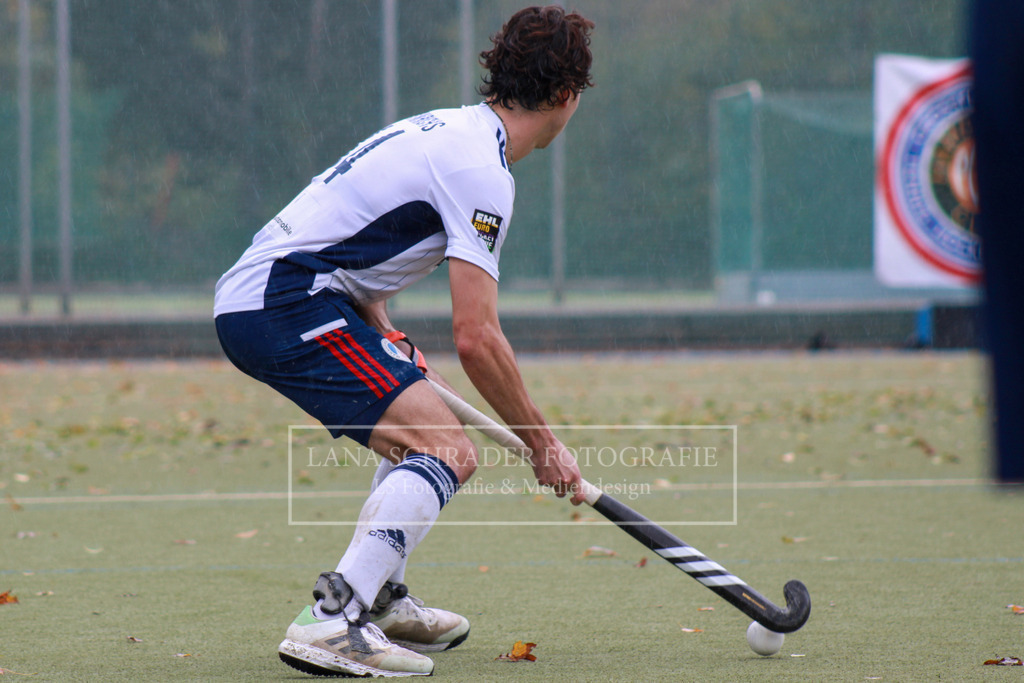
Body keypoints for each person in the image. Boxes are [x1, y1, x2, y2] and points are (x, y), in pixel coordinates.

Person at [213, 6, 595, 677]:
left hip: (287, 296)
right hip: (284, 302)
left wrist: (387, 334)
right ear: (566, 95)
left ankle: (382, 599)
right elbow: (477, 338)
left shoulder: (446, 128)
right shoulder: (482, 173)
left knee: (425, 425)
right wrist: (542, 443)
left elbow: (347, 238)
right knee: (446, 448)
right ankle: (335, 617)